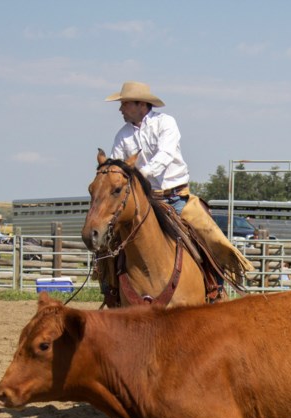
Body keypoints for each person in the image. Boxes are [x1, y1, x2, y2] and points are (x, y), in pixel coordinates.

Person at [105, 81, 252, 287]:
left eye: (125, 104)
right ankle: (110, 288)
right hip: (144, 201)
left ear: (141, 104)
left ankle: (215, 288)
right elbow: (117, 167)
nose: (120, 109)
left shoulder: (165, 123)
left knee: (209, 237)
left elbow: (165, 155)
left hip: (176, 198)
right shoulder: (123, 135)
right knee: (108, 240)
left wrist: (139, 174)